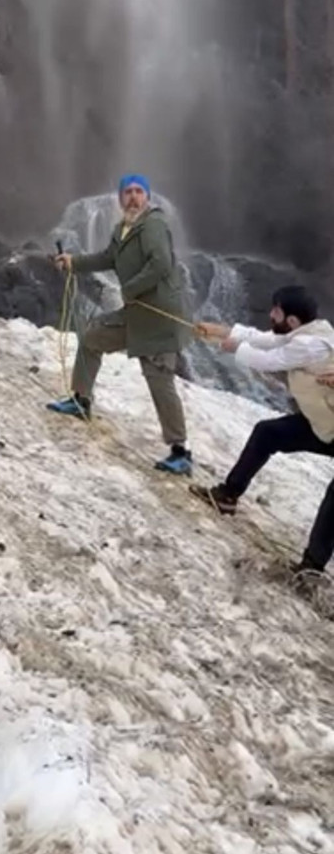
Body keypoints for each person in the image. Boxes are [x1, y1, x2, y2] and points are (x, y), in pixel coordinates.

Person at [48, 173, 193, 475]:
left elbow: (161, 264)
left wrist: (130, 290)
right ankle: (80, 399)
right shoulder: (123, 230)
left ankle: (180, 451)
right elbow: (106, 258)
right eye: (128, 192)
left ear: (148, 198)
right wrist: (73, 262)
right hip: (136, 315)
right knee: (91, 338)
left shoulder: (153, 224)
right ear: (120, 199)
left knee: (159, 381)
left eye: (139, 192)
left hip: (158, 318)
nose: (133, 197)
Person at [191, 286, 334, 577]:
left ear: (292, 320)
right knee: (268, 433)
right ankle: (227, 496)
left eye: (276, 311)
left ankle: (311, 569)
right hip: (325, 423)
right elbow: (265, 339)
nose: (270, 315)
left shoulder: (310, 345)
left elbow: (269, 359)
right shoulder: (303, 333)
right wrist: (222, 331)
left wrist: (232, 347)